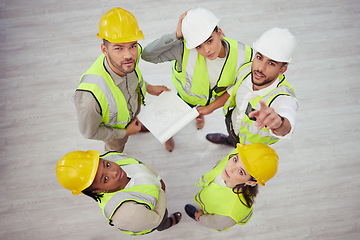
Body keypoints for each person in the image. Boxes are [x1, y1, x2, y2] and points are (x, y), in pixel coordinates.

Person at [141, 7, 253, 152]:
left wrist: (209, 108)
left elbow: (235, 89)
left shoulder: (244, 55)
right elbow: (147, 55)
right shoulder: (183, 50)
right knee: (172, 122)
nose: (206, 50)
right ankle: (169, 136)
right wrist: (175, 36)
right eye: (198, 46)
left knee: (198, 114)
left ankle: (198, 117)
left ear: (219, 33)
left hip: (211, 101)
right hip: (185, 98)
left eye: (209, 41)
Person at [74, 7, 170, 153]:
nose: (128, 55)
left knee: (135, 122)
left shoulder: (128, 61)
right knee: (116, 152)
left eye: (132, 45)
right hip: (115, 135)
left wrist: (148, 87)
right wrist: (124, 133)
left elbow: (134, 79)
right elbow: (89, 133)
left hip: (131, 113)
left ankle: (136, 125)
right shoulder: (89, 97)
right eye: (118, 48)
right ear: (104, 50)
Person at [205, 27, 299, 146]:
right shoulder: (246, 70)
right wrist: (210, 108)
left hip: (252, 148)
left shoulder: (283, 97)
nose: (260, 68)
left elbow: (288, 116)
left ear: (282, 69)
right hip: (234, 125)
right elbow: (234, 89)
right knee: (232, 137)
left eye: (271, 63)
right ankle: (230, 140)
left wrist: (279, 123)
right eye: (259, 58)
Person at [55, 150, 181, 235]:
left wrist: (157, 178)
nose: (114, 172)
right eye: (105, 179)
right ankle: (167, 224)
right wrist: (161, 190)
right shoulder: (126, 214)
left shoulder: (111, 157)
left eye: (107, 165)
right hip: (153, 217)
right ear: (98, 191)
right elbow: (156, 219)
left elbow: (139, 164)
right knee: (162, 222)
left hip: (153, 194)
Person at [184, 143, 278, 231]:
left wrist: (201, 218)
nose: (229, 168)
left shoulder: (232, 212)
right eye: (235, 159)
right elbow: (223, 162)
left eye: (241, 171)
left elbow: (216, 223)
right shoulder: (236, 156)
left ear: (250, 182)